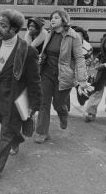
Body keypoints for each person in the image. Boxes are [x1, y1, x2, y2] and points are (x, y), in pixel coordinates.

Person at [0, 9, 41, 185]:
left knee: (5, 133)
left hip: (15, 101)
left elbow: (34, 81)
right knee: (5, 124)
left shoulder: (27, 51)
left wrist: (33, 105)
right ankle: (18, 139)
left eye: (3, 26)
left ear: (14, 30)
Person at [34, 10, 89, 144]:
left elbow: (79, 58)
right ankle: (42, 132)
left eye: (56, 18)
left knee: (58, 103)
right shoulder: (50, 33)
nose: (52, 20)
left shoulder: (73, 36)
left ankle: (63, 115)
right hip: (46, 73)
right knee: (43, 103)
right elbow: (45, 52)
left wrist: (82, 80)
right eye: (51, 17)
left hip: (63, 75)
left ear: (64, 20)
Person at [84, 18, 106, 122]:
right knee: (97, 88)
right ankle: (91, 112)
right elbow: (102, 51)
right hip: (102, 68)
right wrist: (97, 58)